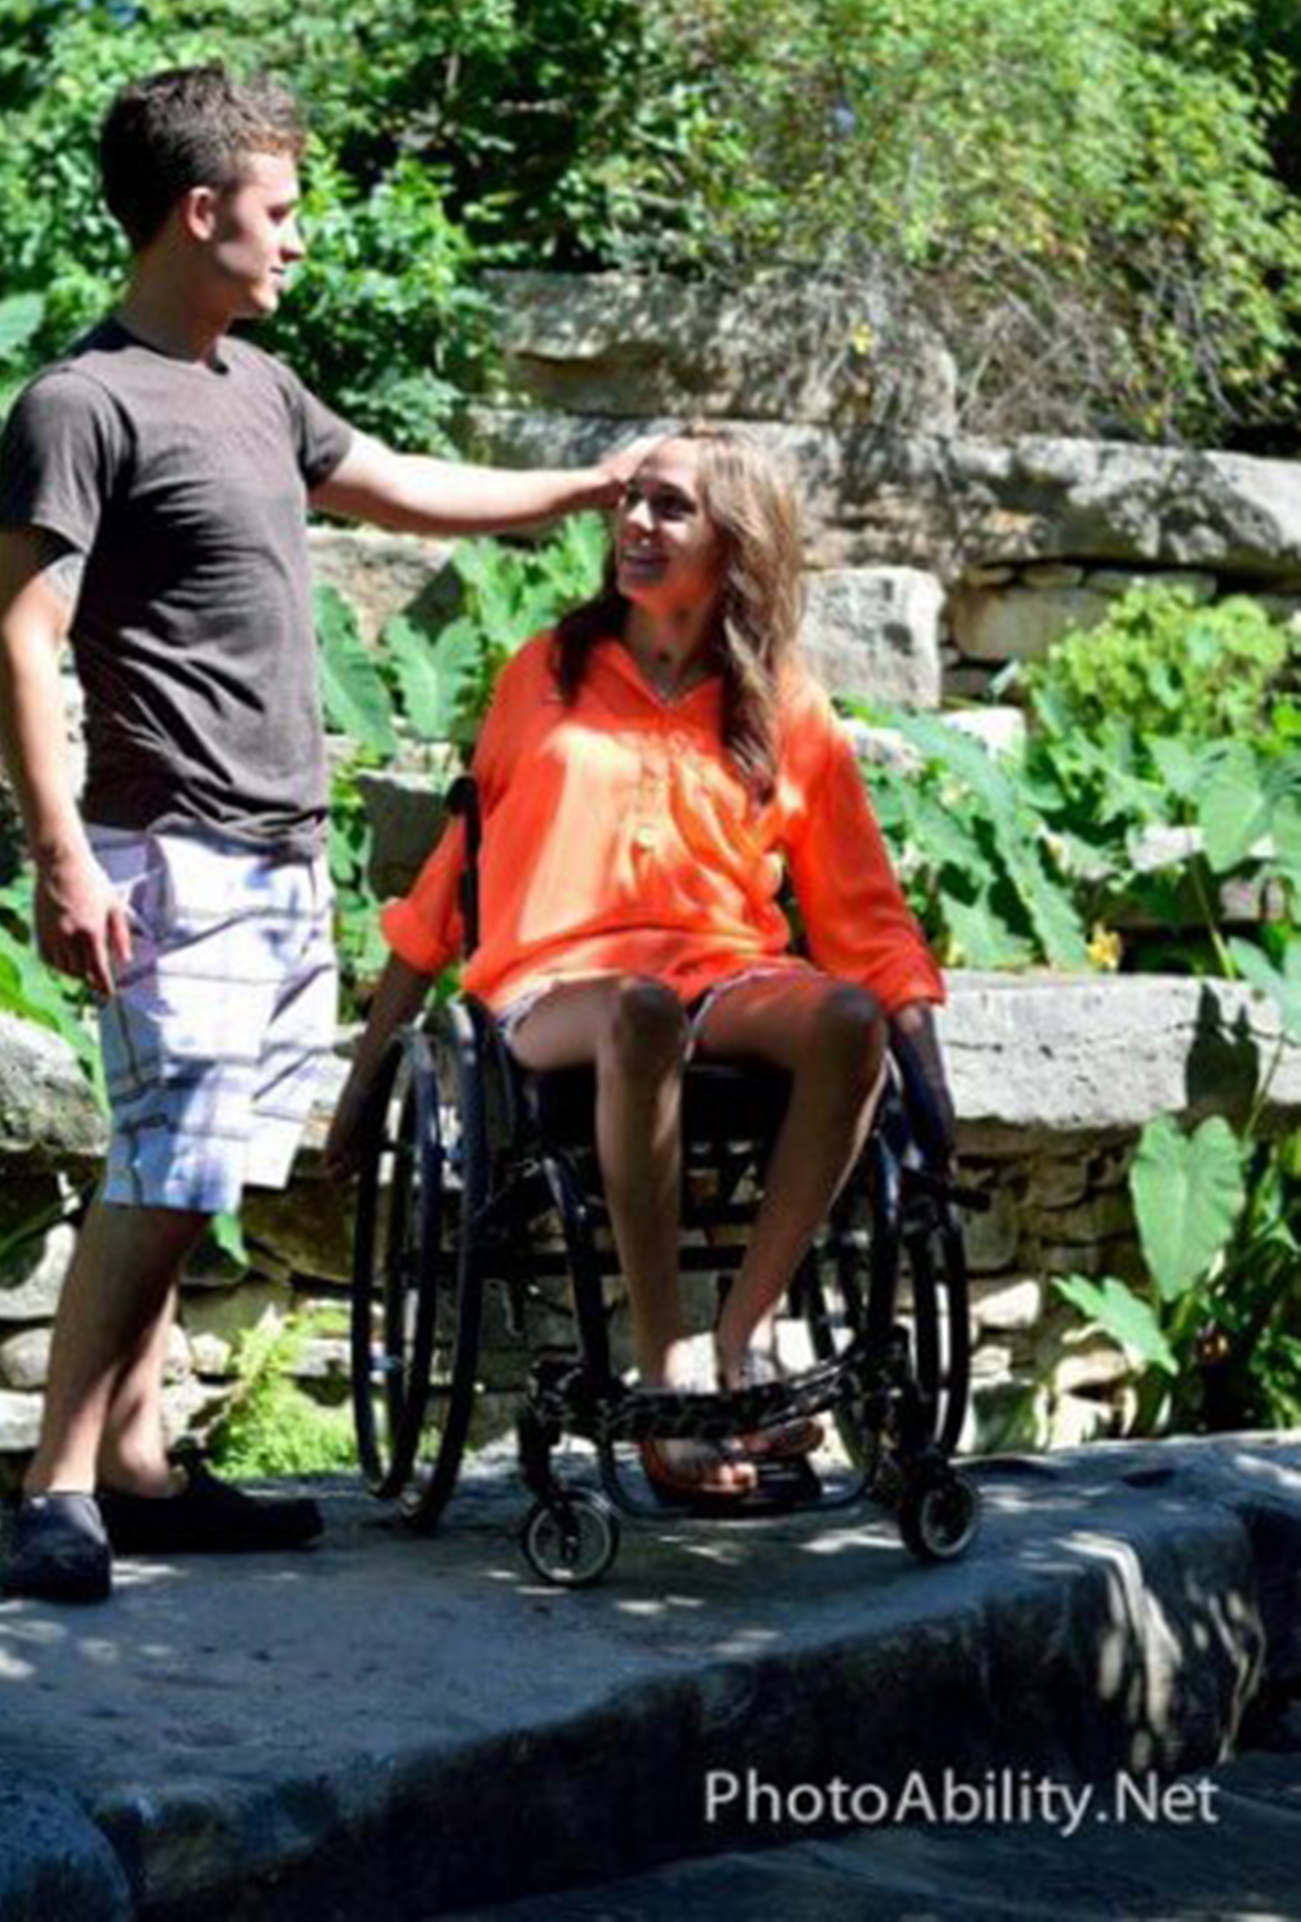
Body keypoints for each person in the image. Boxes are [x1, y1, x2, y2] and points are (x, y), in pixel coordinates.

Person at [0, 63, 642, 1601]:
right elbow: (24, 637)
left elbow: (402, 486)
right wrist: (63, 855)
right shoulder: (81, 403)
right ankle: (55, 1486)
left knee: (202, 1165)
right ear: (200, 210)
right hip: (167, 850)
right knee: (161, 1164)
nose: (298, 241)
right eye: (279, 213)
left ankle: (137, 1466)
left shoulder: (259, 389)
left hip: (277, 846)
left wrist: (591, 484)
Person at [325, 425, 954, 1509]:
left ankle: (737, 1339)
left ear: (736, 544)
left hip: (725, 974)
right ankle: (665, 1364)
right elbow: (447, 885)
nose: (636, 525)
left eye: (670, 509)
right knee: (641, 1014)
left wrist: (931, 1083)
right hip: (552, 990)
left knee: (848, 1022)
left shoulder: (783, 703)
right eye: (631, 503)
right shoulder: (545, 675)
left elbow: (862, 912)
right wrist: (364, 1079)